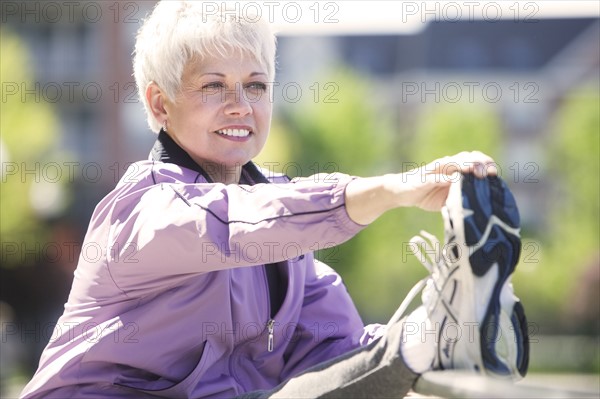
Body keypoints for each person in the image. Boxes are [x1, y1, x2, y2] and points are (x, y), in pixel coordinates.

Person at [20, 2, 528, 398]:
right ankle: (432, 334)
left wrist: (406, 352)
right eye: (214, 85)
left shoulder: (288, 238)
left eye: (256, 86)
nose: (240, 106)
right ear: (159, 102)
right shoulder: (140, 209)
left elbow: (339, 358)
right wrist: (388, 191)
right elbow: (230, 225)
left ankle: (434, 335)